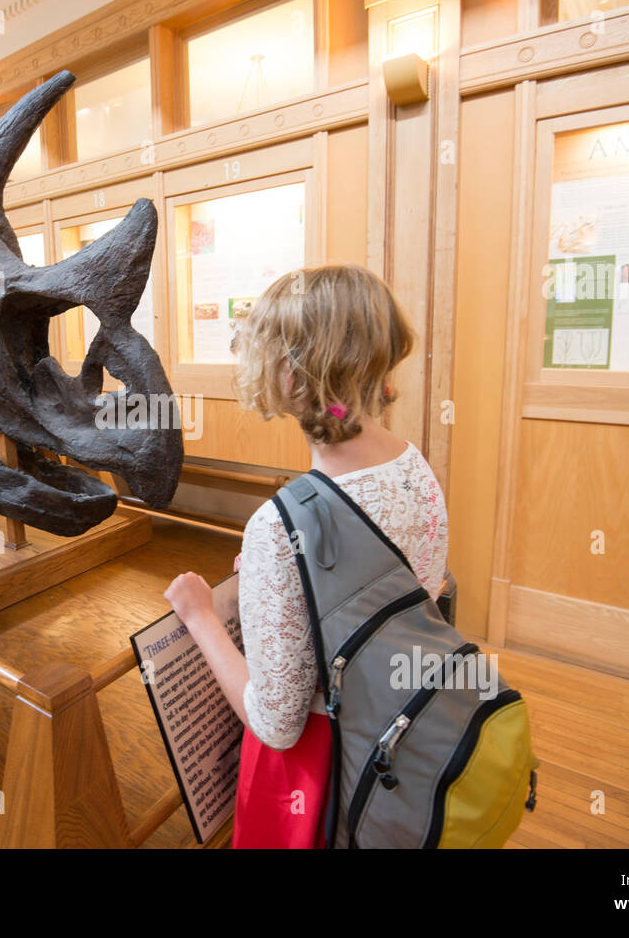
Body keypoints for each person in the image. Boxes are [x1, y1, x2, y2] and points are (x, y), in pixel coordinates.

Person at [163, 263, 449, 848]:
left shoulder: (278, 528)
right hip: (406, 726)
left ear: (292, 374)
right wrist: (292, 579)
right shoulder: (414, 466)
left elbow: (276, 724)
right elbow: (409, 585)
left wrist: (199, 615)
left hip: (330, 771)